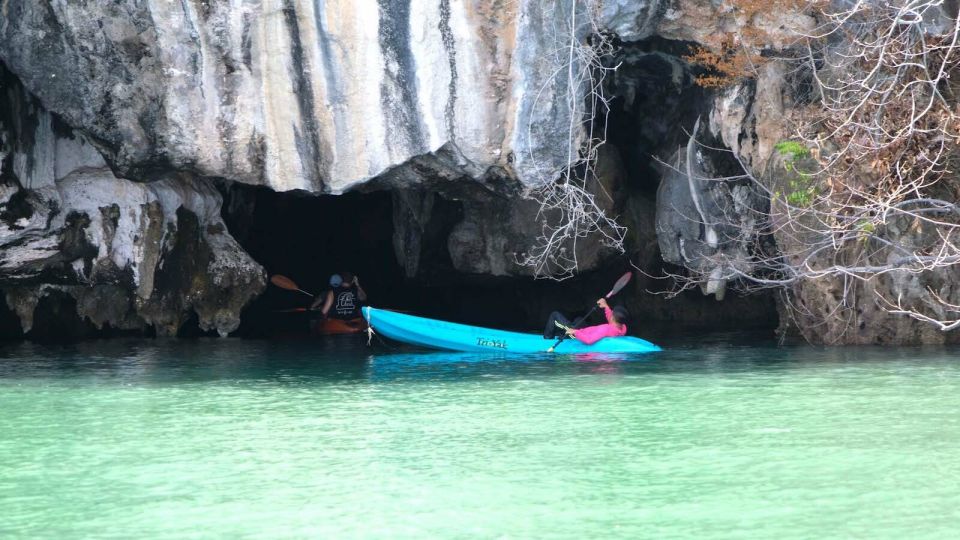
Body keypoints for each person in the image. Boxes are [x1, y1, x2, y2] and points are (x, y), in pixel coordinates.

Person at [543, 298, 629, 345]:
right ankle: (561, 334)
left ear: (613, 318)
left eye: (612, 312)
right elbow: (612, 320)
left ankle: (546, 340)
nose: (611, 313)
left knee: (555, 315)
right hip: (585, 331)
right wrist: (606, 306)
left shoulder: (605, 329)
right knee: (579, 319)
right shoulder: (622, 328)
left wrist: (575, 332)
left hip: (578, 336)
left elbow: (589, 340)